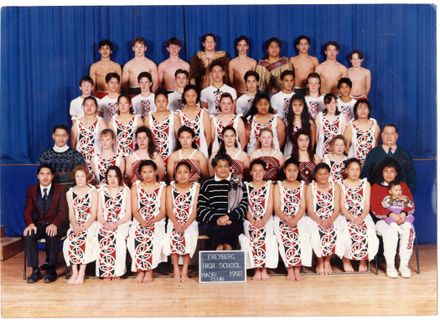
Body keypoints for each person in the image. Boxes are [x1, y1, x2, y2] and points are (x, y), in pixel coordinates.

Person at [370, 158, 415, 278]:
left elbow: (410, 203)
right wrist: (391, 214)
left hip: (402, 218)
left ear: (396, 173)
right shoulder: (376, 187)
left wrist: (404, 214)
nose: (389, 174)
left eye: (392, 171)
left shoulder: (403, 186)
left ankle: (404, 265)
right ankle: (390, 265)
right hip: (382, 221)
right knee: (391, 233)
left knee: (409, 231)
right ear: (381, 172)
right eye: (386, 171)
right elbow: (375, 207)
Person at [23, 164, 68, 283]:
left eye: (48, 174)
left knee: (52, 234)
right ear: (38, 176)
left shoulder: (60, 189)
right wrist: (30, 224)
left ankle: (51, 270)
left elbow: (63, 211)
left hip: (56, 223)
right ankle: (35, 270)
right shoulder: (32, 190)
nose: (45, 177)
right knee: (29, 234)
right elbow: (28, 210)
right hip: (40, 224)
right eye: (42, 174)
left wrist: (55, 224)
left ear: (52, 176)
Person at [197, 154, 249, 250]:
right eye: (219, 166)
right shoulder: (207, 184)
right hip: (212, 221)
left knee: (229, 233)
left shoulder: (237, 182)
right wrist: (217, 219)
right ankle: (220, 253)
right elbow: (201, 207)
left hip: (233, 220)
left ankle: (226, 253)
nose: (223, 169)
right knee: (219, 239)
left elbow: (244, 205)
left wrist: (228, 217)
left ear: (230, 167)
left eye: (226, 166)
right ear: (214, 168)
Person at [127, 160, 167, 283]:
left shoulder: (162, 187)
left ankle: (149, 271)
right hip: (139, 219)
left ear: (155, 172)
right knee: (134, 236)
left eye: (150, 171)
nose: (148, 175)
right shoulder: (136, 187)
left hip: (157, 220)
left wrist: (152, 220)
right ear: (140, 174)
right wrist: (142, 221)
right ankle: (140, 270)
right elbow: (134, 209)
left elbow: (163, 211)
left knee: (153, 237)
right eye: (144, 172)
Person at [239, 159, 278, 280]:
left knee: (266, 235)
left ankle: (264, 268)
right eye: (255, 171)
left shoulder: (270, 185)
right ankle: (257, 268)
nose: (258, 173)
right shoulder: (245, 186)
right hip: (250, 219)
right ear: (250, 172)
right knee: (253, 234)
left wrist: (263, 220)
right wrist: (252, 220)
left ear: (264, 172)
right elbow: (245, 206)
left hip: (266, 218)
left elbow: (270, 206)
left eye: (260, 171)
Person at [273, 159, 312, 280]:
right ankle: (289, 269)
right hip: (282, 217)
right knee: (286, 237)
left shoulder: (303, 186)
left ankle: (297, 268)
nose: (292, 173)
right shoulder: (278, 185)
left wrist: (295, 219)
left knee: (303, 236)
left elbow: (303, 206)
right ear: (284, 171)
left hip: (299, 217)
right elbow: (277, 207)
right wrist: (287, 219)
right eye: (289, 170)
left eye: (295, 171)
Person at [339, 158, 379, 272]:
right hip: (345, 215)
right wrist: (352, 218)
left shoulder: (365, 184)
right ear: (346, 170)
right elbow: (341, 206)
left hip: (362, 214)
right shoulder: (340, 185)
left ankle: (363, 260)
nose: (355, 172)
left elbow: (367, 204)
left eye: (357, 169)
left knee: (368, 232)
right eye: (352, 169)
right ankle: (346, 260)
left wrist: (361, 217)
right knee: (346, 232)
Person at [305, 163, 344, 275]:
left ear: (329, 174)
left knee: (334, 230)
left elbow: (337, 208)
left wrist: (330, 220)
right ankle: (320, 260)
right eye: (320, 174)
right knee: (316, 232)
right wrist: (320, 221)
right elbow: (310, 210)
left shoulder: (335, 186)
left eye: (325, 174)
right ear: (315, 175)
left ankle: (327, 261)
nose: (323, 176)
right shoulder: (310, 188)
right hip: (315, 217)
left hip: (332, 217)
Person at [164, 161, 200, 283]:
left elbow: (195, 211)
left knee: (189, 235)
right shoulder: (170, 188)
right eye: (179, 172)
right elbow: (169, 209)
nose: (182, 175)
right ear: (175, 174)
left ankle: (184, 269)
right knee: (172, 234)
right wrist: (176, 224)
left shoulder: (196, 188)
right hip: (174, 220)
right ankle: (175, 269)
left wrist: (185, 225)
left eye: (185, 172)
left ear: (190, 174)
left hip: (190, 221)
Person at [63, 165, 98, 285]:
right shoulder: (70, 193)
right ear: (74, 177)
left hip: (90, 223)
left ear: (87, 177)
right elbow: (71, 213)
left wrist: (84, 227)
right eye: (77, 176)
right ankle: (74, 272)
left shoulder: (93, 191)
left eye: (82, 176)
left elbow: (93, 214)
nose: (80, 179)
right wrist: (75, 226)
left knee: (85, 239)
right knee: (70, 240)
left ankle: (82, 272)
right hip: (75, 224)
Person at [96, 166, 131, 280]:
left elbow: (128, 214)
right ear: (106, 178)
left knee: (118, 237)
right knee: (102, 235)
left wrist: (116, 224)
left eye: (115, 176)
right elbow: (99, 213)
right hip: (105, 221)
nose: (112, 179)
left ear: (119, 177)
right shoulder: (102, 191)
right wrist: (105, 223)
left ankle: (117, 272)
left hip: (122, 222)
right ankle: (106, 271)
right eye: (110, 176)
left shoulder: (125, 191)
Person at [361, 124, 416, 193]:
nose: (389, 136)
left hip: (400, 196)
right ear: (382, 135)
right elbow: (365, 176)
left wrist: (406, 195)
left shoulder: (404, 154)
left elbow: (412, 178)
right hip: (378, 195)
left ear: (396, 136)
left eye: (392, 134)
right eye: (386, 133)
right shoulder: (373, 153)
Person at [71, 97, 107, 176]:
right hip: (80, 161)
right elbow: (73, 145)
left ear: (96, 107)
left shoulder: (100, 122)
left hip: (97, 160)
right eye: (86, 105)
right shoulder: (77, 122)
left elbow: (106, 143)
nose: (89, 107)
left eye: (92, 105)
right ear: (82, 107)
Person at [144, 89, 180, 164]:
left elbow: (179, 138)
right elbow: (145, 138)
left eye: (163, 101)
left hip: (170, 155)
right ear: (154, 102)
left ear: (167, 102)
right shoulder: (148, 118)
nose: (161, 104)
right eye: (158, 101)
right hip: (152, 156)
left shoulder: (174, 117)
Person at [176, 84, 212, 158]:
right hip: (184, 152)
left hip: (201, 150)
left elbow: (208, 136)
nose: (191, 98)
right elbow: (178, 136)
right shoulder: (179, 114)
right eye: (188, 96)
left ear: (197, 96)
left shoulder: (204, 113)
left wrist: (203, 152)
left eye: (193, 95)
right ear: (184, 97)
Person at [344, 99, 380, 165]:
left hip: (372, 163)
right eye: (360, 108)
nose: (363, 111)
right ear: (356, 111)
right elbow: (345, 148)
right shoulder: (350, 127)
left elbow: (377, 146)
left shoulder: (374, 125)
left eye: (365, 108)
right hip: (355, 165)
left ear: (369, 110)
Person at [315, 93, 347, 158]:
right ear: (325, 105)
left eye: (333, 103)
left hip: (337, 153)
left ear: (336, 103)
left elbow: (344, 137)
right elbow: (316, 137)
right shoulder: (320, 116)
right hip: (321, 152)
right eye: (328, 103)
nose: (331, 106)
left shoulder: (342, 117)